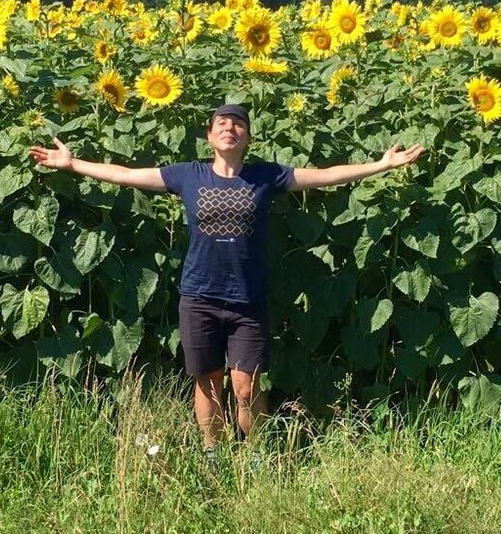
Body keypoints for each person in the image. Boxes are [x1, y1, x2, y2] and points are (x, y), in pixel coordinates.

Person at [29, 104, 422, 452]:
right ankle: (214, 454)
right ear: (209, 136)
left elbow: (325, 175)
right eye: (221, 122)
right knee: (207, 382)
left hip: (247, 299)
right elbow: (126, 175)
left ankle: (255, 457)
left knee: (246, 386)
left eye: (237, 124)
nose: (229, 128)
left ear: (247, 137)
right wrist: (73, 164)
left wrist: (381, 165)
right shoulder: (188, 175)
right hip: (198, 296)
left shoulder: (266, 176)